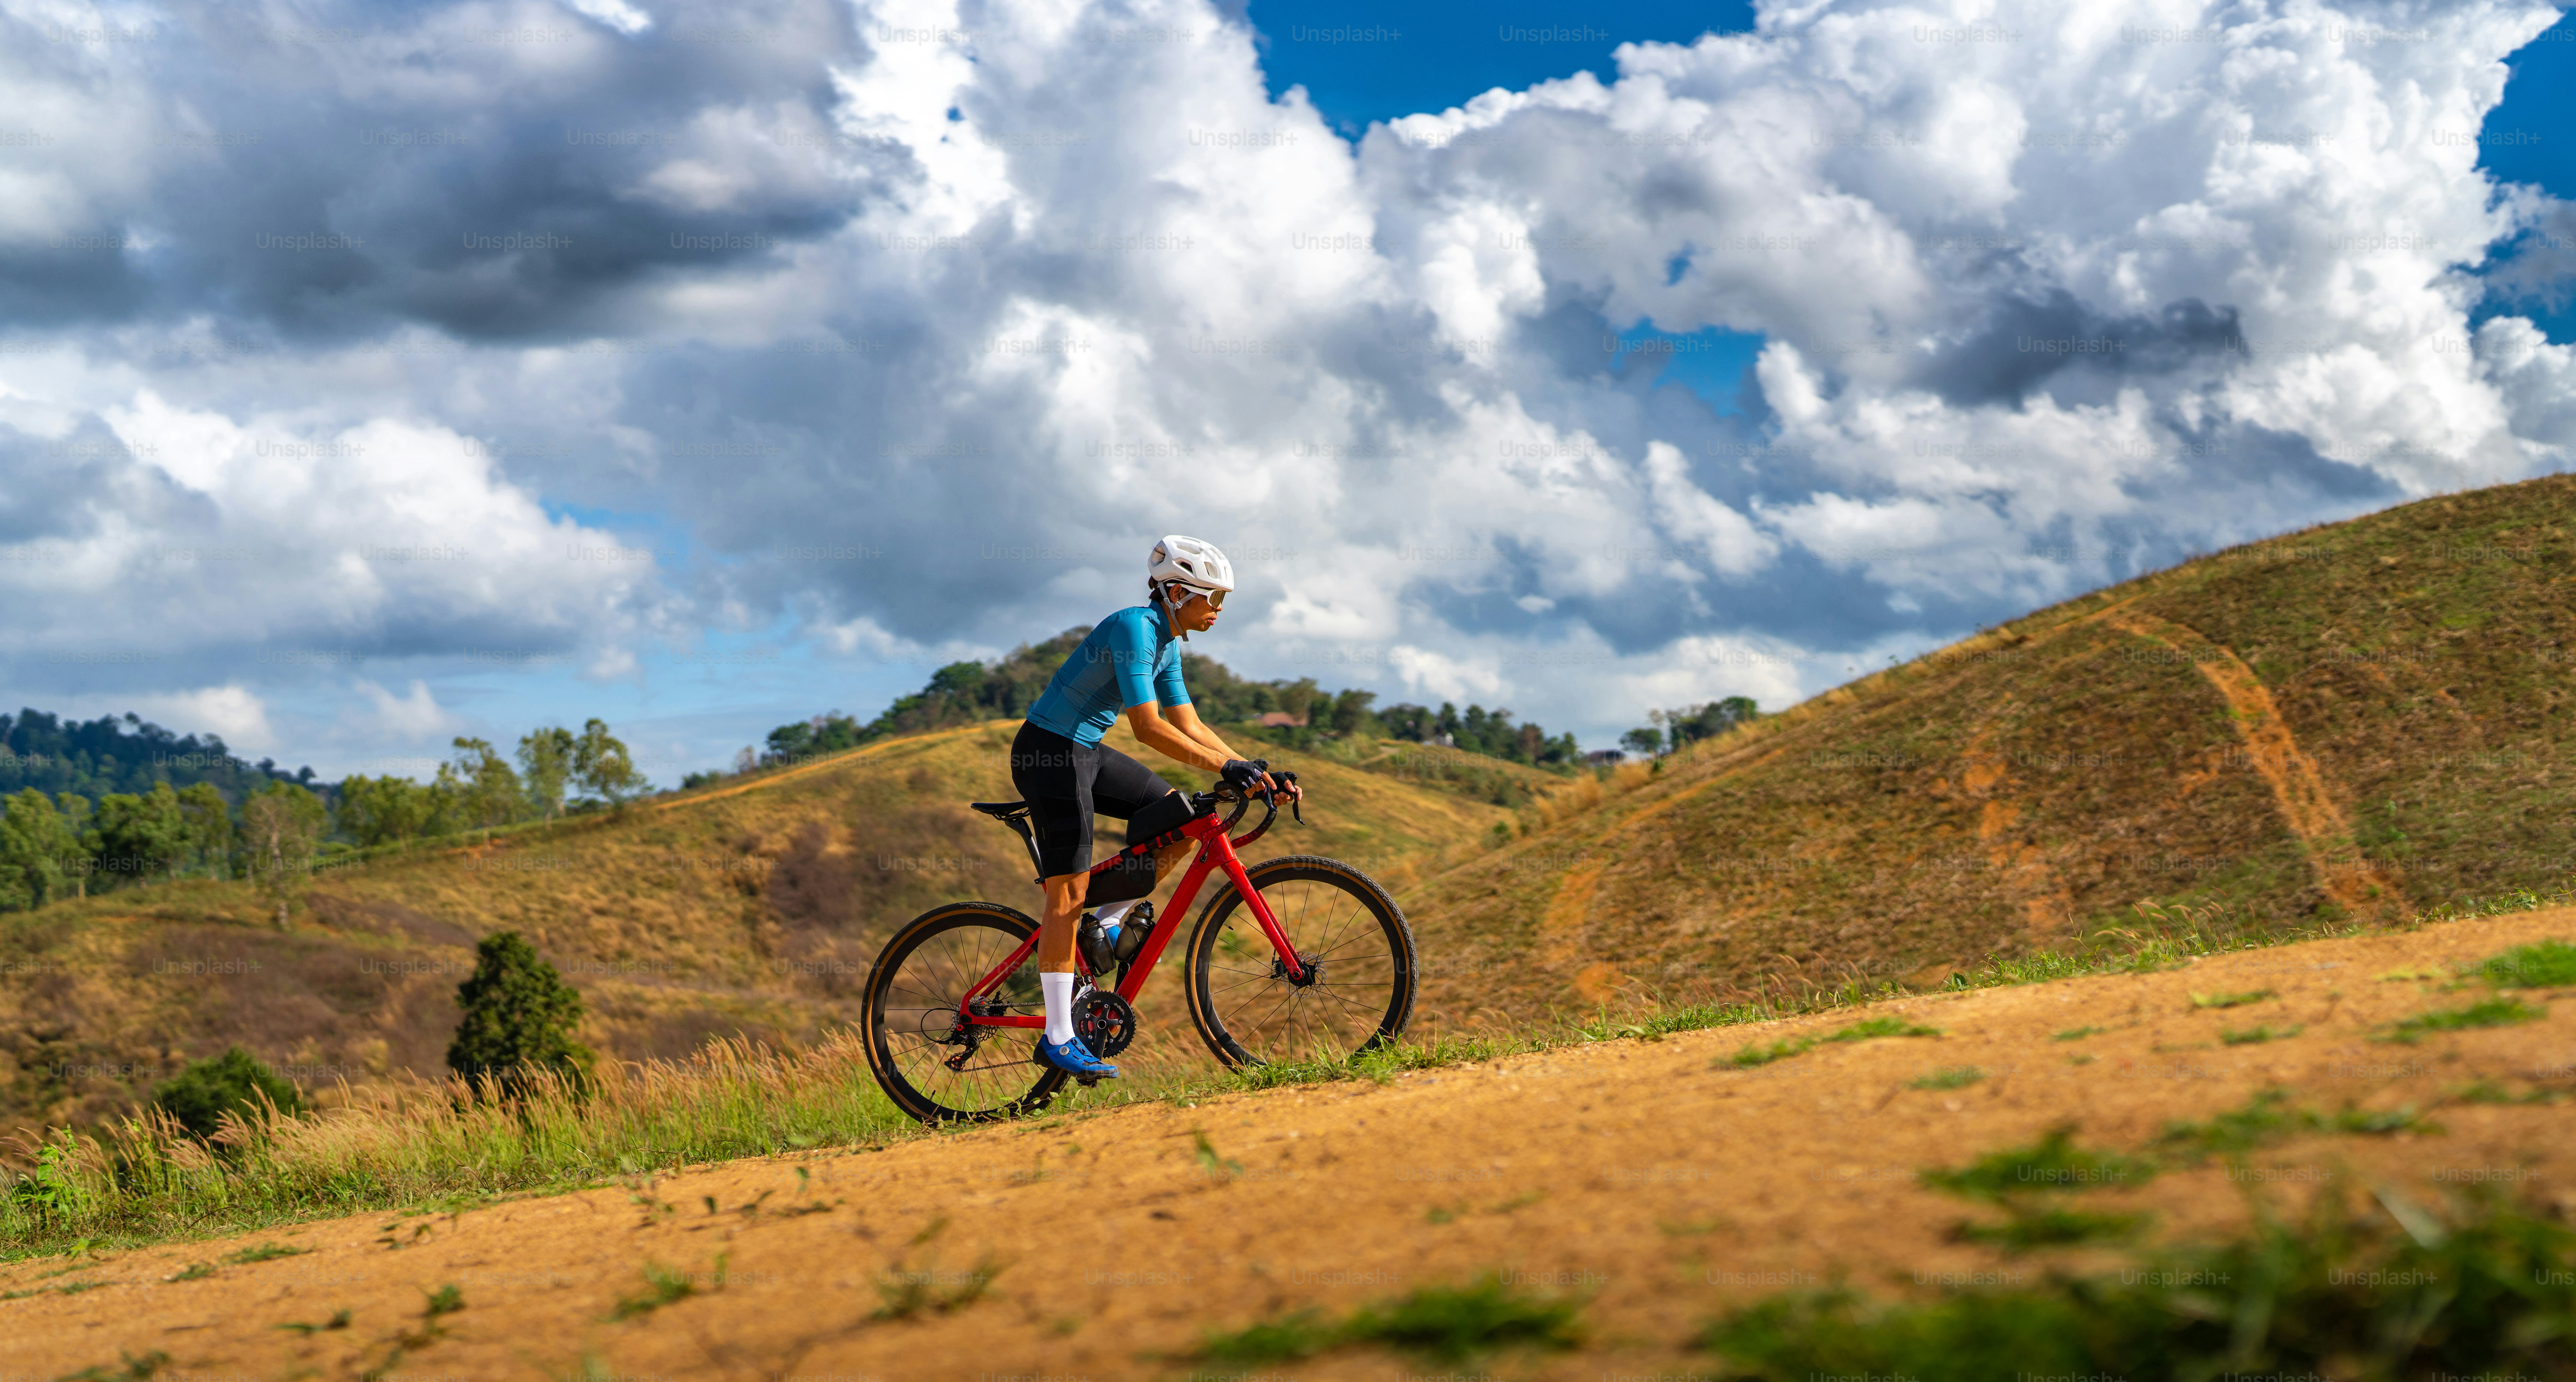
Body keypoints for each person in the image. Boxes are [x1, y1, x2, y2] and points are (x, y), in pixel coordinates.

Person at [1010, 535, 1296, 1079]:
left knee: (1181, 816)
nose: (1218, 610)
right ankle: (1058, 1033)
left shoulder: (1167, 642)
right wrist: (1223, 768)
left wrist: (1255, 772)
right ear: (1177, 591)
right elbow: (1148, 728)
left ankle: (1106, 924)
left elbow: (1189, 724)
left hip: (1086, 749)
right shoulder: (1136, 628)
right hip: (1049, 752)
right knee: (1066, 891)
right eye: (1212, 598)